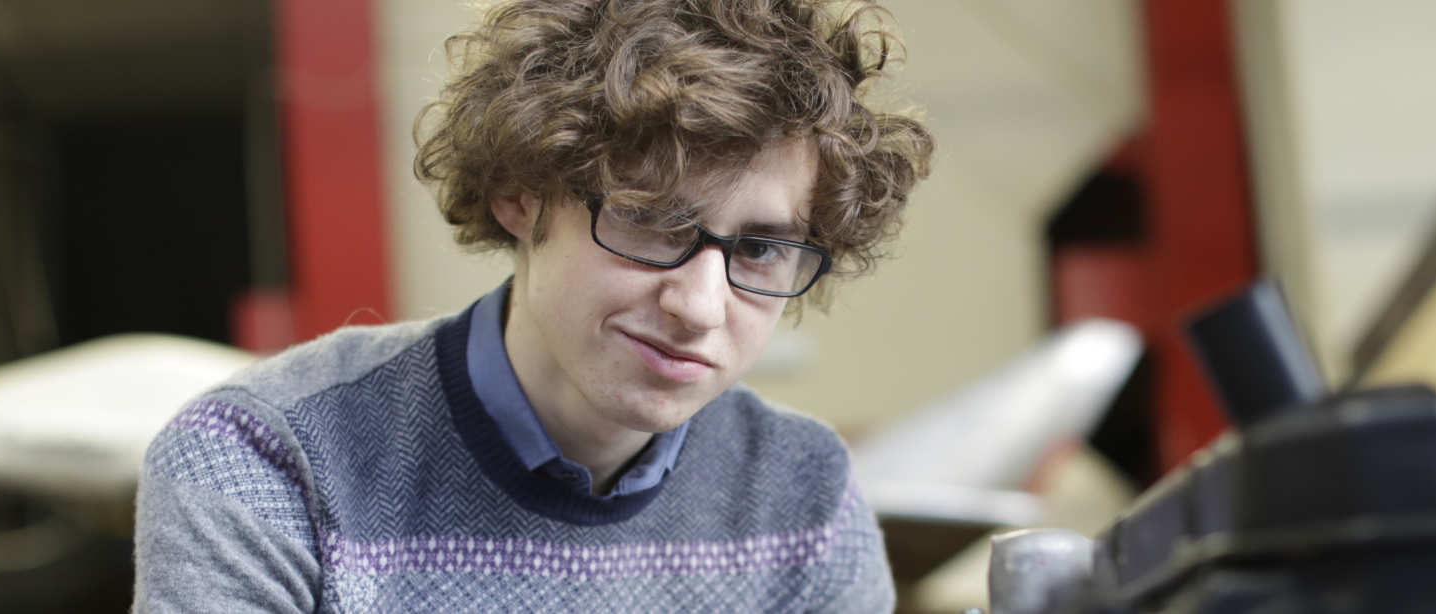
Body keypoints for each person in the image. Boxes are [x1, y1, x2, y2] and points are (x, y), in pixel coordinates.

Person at [132, 0, 933, 610]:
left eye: (758, 249)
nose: (699, 305)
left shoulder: (801, 493)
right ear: (520, 193)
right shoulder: (268, 464)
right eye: (652, 219)